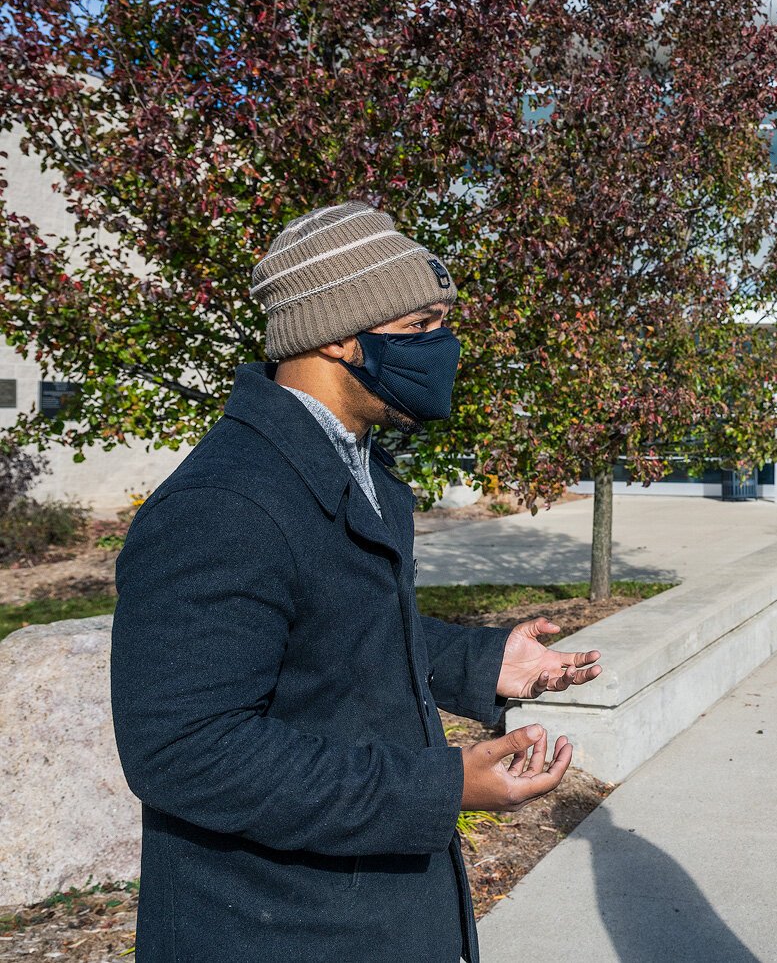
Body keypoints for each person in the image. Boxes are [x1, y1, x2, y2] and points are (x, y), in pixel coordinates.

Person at [111, 202, 602, 963]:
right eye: (419, 326)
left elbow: (335, 627)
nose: (443, 348)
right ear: (338, 335)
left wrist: (481, 663)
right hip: (280, 932)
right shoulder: (223, 505)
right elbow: (186, 749)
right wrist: (440, 788)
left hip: (359, 918)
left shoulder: (353, 464)